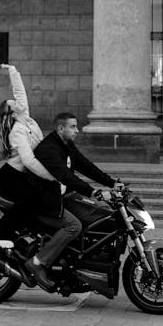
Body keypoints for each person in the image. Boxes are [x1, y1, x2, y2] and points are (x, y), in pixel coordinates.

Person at [0, 64, 82, 290]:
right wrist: (52, 177)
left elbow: (21, 94)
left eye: (16, 102)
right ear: (10, 113)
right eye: (12, 105)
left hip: (24, 176)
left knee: (39, 200)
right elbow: (28, 161)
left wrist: (13, 71)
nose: (17, 104)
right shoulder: (17, 131)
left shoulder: (27, 119)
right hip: (10, 177)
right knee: (30, 201)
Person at [31, 112, 118, 267]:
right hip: (46, 200)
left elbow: (85, 165)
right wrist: (94, 192)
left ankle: (86, 256)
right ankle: (38, 262)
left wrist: (112, 183)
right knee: (73, 226)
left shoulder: (65, 144)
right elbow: (66, 177)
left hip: (62, 195)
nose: (77, 130)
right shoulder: (49, 149)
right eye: (73, 127)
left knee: (102, 210)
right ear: (60, 128)